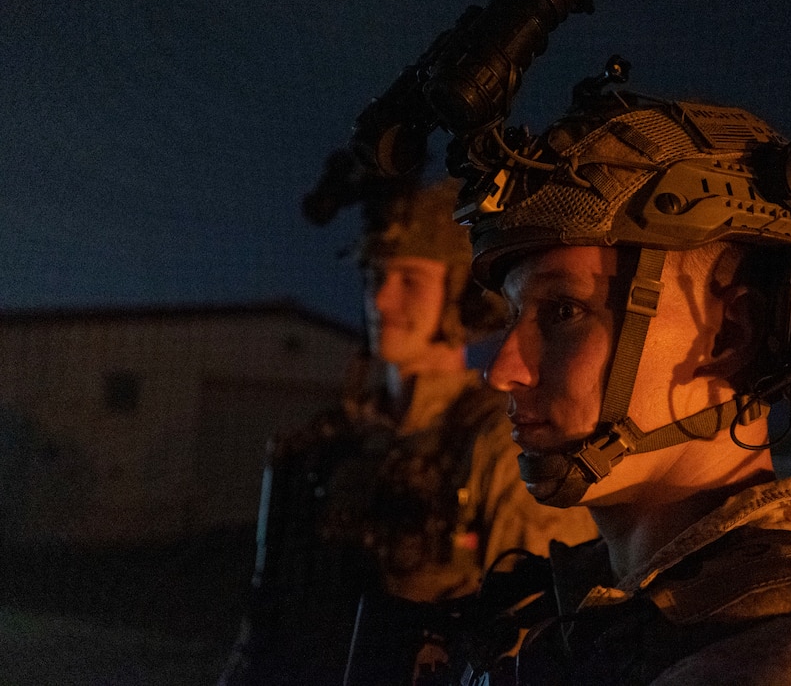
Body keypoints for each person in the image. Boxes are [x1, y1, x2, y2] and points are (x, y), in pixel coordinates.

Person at [442, 92, 791, 684]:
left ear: (730, 336)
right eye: (514, 315)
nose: (503, 369)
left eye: (564, 312)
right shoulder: (599, 611)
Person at [218, 178, 598, 686]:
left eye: (410, 280)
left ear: (459, 294)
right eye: (375, 277)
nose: (382, 300)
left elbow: (535, 640)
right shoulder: (341, 437)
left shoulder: (503, 442)